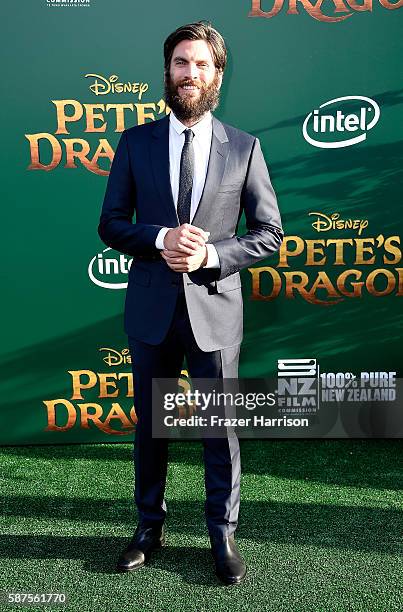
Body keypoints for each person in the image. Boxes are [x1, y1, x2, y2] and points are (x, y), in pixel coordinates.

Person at [98, 20, 283, 585]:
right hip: (153, 309)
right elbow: (110, 224)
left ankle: (222, 535)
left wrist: (209, 256)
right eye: (181, 63)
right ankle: (147, 529)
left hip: (216, 311)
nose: (190, 74)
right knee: (151, 428)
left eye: (201, 64)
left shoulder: (245, 148)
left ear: (217, 74)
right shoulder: (135, 142)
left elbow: (269, 233)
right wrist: (160, 239)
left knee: (219, 430)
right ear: (167, 71)